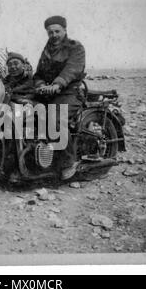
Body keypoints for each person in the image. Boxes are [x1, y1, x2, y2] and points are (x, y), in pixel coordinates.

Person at [33, 15, 86, 180]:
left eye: (57, 31)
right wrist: (41, 84)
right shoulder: (47, 50)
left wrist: (57, 84)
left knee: (54, 119)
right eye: (50, 32)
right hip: (51, 93)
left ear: (65, 30)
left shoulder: (75, 47)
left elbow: (72, 69)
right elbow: (38, 74)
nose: (54, 35)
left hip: (70, 92)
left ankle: (68, 162)